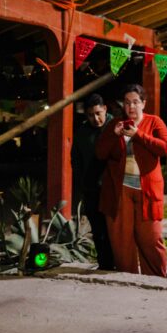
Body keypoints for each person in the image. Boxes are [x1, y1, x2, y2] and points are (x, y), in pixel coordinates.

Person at [96, 84, 167, 276]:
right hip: (120, 188)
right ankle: (127, 277)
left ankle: (157, 277)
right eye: (127, 102)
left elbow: (165, 148)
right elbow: (100, 153)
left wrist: (139, 135)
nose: (131, 106)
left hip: (147, 188)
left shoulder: (154, 122)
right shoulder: (116, 124)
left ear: (143, 103)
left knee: (151, 237)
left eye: (136, 102)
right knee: (121, 239)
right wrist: (114, 136)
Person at [71, 94, 114, 269]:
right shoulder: (82, 132)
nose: (95, 119)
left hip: (112, 187)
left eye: (98, 113)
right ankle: (104, 265)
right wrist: (82, 182)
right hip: (91, 188)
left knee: (113, 229)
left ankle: (118, 262)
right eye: (90, 115)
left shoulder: (115, 125)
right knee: (97, 230)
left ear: (105, 109)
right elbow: (75, 160)